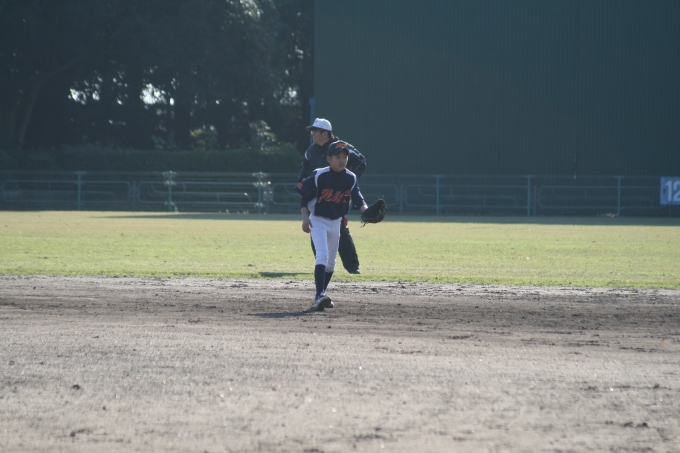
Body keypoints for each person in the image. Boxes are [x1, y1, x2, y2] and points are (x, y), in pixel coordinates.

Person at [295, 140, 368, 311]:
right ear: (329, 159)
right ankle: (320, 295)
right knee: (322, 255)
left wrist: (366, 210)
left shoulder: (350, 177)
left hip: (336, 222)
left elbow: (358, 199)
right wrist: (305, 218)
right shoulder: (320, 175)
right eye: (338, 157)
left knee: (331, 264)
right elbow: (304, 198)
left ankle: (320, 295)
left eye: (345, 157)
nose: (342, 160)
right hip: (318, 220)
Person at [298, 118, 366, 274]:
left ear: (325, 133)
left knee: (340, 229)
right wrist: (302, 179)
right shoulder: (311, 151)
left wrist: (347, 182)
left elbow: (361, 162)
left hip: (336, 196)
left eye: (315, 131)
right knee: (315, 229)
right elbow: (304, 167)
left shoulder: (341, 147)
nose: (312, 134)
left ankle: (352, 267)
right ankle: (321, 265)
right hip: (316, 197)